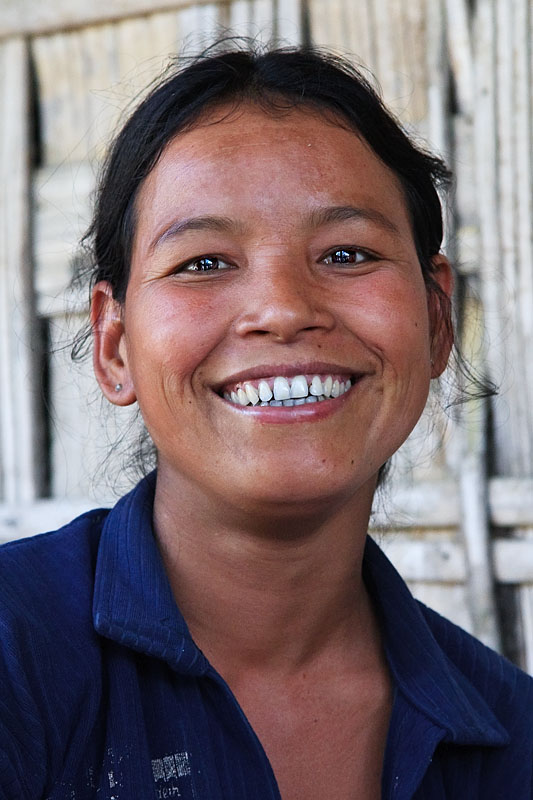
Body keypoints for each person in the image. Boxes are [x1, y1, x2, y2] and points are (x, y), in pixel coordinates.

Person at [0, 43, 532, 800]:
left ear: (436, 317)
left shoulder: (509, 740)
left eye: (347, 253)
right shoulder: (17, 652)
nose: (282, 308)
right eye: (204, 263)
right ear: (116, 346)